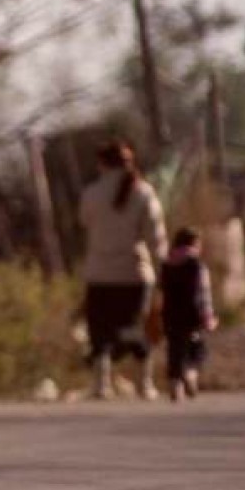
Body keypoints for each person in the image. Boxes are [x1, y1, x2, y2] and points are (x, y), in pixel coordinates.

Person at [79, 139, 168, 400]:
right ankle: (145, 383)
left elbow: (84, 221)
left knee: (99, 331)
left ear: (102, 164)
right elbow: (156, 238)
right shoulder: (144, 193)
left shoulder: (91, 193)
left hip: (99, 274)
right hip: (134, 273)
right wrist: (164, 272)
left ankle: (101, 384)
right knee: (134, 328)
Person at [160, 227, 219, 402]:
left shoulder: (166, 265)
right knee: (196, 350)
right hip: (191, 316)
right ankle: (190, 374)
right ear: (194, 244)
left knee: (174, 350)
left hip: (170, 315)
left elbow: (161, 291)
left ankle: (175, 384)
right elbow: (203, 294)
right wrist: (207, 317)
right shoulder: (197, 266)